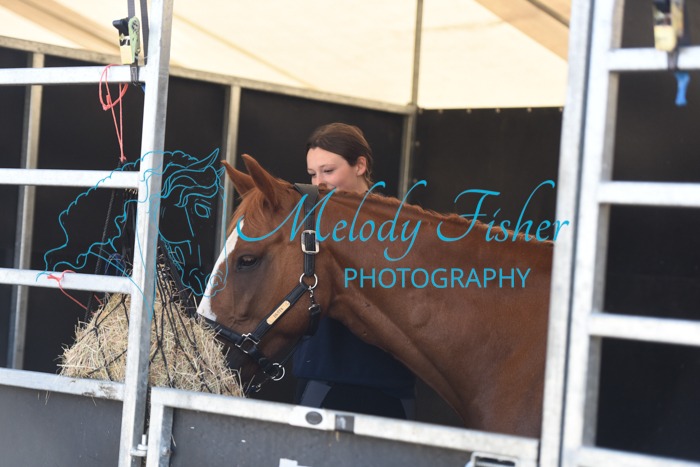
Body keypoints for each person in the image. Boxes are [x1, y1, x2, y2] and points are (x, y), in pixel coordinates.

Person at [293, 122, 416, 419]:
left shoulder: (401, 226)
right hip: (323, 377)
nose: (319, 182)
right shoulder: (307, 222)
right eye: (312, 174)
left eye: (328, 171)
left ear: (360, 165)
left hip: (389, 386)